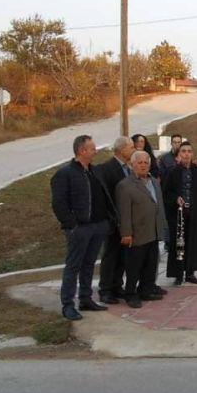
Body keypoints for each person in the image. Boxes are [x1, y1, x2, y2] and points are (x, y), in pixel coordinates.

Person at [50, 135, 115, 321]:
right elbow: (59, 203)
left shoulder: (94, 171)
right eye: (92, 148)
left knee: (89, 264)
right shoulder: (65, 174)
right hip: (80, 228)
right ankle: (68, 304)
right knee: (73, 266)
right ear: (82, 151)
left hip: (97, 226)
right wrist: (71, 224)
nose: (95, 151)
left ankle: (85, 299)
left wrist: (107, 221)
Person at [116, 150, 167, 308]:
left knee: (151, 263)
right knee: (134, 266)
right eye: (140, 162)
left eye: (146, 162)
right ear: (132, 165)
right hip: (137, 233)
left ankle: (146, 289)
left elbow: (158, 204)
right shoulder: (125, 185)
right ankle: (130, 294)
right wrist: (126, 233)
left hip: (153, 231)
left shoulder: (154, 181)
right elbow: (123, 212)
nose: (143, 165)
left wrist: (162, 226)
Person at [96, 136, 135, 305]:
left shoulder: (129, 168)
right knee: (110, 255)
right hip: (113, 221)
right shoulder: (107, 168)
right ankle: (105, 290)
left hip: (127, 220)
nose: (133, 150)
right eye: (131, 147)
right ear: (121, 149)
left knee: (122, 255)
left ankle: (117, 285)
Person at [162, 141, 197, 285]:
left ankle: (190, 273)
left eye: (189, 151)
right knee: (178, 244)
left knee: (193, 242)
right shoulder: (172, 171)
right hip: (177, 214)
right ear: (179, 154)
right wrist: (176, 199)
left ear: (192, 154)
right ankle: (178, 274)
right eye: (183, 151)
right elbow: (166, 192)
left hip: (194, 213)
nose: (186, 154)